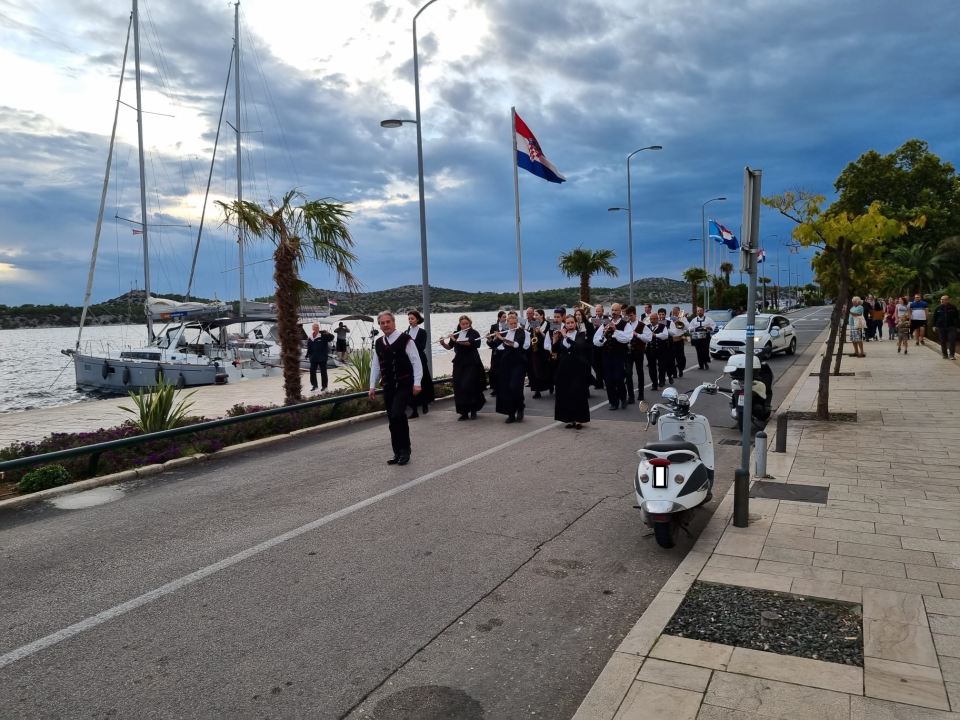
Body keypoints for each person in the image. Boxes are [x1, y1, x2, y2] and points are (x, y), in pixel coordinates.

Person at [369, 311, 422, 466]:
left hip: (404, 385)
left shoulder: (406, 340)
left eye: (388, 322)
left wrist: (417, 382)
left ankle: (406, 450)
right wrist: (372, 386)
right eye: (382, 323)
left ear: (394, 322)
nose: (385, 325)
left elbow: (416, 361)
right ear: (379, 325)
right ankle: (397, 452)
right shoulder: (379, 343)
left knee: (398, 414)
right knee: (392, 420)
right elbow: (376, 366)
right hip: (388, 386)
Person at [439, 315, 486, 419]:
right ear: (459, 324)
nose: (465, 326)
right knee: (459, 386)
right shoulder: (456, 333)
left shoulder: (474, 333)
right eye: (463, 324)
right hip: (459, 361)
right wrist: (443, 343)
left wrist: (455, 340)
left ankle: (473, 409)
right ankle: (463, 412)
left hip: (471, 361)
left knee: (468, 385)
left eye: (466, 324)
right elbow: (449, 346)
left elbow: (469, 343)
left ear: (469, 323)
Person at [553, 315, 591, 429]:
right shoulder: (561, 336)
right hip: (564, 366)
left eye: (572, 323)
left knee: (577, 391)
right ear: (565, 324)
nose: (570, 325)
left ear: (575, 324)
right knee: (565, 392)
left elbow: (578, 346)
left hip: (577, 366)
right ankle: (570, 419)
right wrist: (555, 339)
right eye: (568, 323)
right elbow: (555, 350)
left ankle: (579, 419)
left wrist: (566, 336)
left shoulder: (580, 335)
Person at [593, 302, 630, 410]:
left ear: (620, 312)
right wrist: (604, 334)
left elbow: (627, 338)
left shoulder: (625, 324)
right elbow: (596, 341)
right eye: (612, 310)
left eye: (616, 310)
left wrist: (615, 330)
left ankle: (623, 398)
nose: (614, 312)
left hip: (619, 355)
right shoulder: (605, 323)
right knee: (608, 380)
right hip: (607, 355)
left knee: (618, 378)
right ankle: (613, 402)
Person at [493, 311, 529, 423]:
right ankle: (510, 413)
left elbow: (517, 345)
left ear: (517, 322)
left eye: (515, 323)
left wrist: (502, 339)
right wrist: (491, 339)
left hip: (518, 363)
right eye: (511, 324)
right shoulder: (505, 332)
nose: (513, 325)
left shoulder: (520, 332)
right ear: (508, 323)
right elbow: (493, 345)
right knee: (506, 388)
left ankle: (520, 407)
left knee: (515, 387)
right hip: (506, 363)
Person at [405, 311, 435, 418]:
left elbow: (422, 346)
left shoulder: (422, 332)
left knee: (423, 382)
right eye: (409, 319)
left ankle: (425, 403)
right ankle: (414, 410)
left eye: (412, 318)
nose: (410, 320)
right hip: (410, 361)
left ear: (417, 319)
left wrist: (411, 341)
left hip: (421, 360)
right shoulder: (406, 332)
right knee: (411, 383)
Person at [528, 309, 553, 398]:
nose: (535, 317)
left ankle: (550, 385)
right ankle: (537, 390)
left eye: (537, 315)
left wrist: (541, 332)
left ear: (542, 315)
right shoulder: (534, 323)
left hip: (544, 350)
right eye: (534, 315)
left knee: (546, 369)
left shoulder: (548, 324)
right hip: (536, 350)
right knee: (535, 370)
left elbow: (550, 337)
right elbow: (530, 335)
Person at [623, 305, 645, 406]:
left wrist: (637, 335)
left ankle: (641, 393)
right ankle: (630, 396)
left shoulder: (641, 325)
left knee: (640, 372)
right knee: (628, 373)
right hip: (628, 352)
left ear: (635, 314)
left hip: (638, 351)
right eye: (628, 316)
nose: (629, 318)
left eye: (631, 315)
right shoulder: (626, 325)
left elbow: (648, 338)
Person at [641, 314, 670, 390]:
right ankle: (654, 383)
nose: (652, 320)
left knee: (661, 366)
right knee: (651, 367)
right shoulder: (647, 327)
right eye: (651, 319)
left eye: (653, 319)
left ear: (657, 319)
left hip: (661, 350)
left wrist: (655, 335)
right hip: (650, 350)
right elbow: (644, 336)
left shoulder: (662, 327)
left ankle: (662, 380)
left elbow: (665, 336)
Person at [306, 323, 335, 392]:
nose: (316, 328)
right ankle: (314, 386)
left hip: (322, 357)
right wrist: (307, 355)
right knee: (312, 371)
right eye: (315, 327)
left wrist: (328, 334)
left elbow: (331, 338)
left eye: (317, 327)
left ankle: (324, 386)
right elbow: (309, 347)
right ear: (312, 328)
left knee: (323, 372)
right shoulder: (310, 337)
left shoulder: (323, 336)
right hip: (313, 358)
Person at [932, 295, 958, 360]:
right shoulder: (938, 308)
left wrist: (958, 327)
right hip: (941, 327)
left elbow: (957, 318)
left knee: (952, 339)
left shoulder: (953, 308)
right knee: (943, 341)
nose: (942, 300)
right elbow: (934, 318)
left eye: (943, 299)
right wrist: (934, 326)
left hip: (951, 326)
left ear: (948, 300)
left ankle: (952, 354)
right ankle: (944, 354)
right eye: (941, 299)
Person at [487, 311, 507, 395]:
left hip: (505, 350)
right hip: (496, 351)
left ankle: (503, 388)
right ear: (499, 318)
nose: (505, 318)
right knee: (493, 370)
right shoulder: (494, 326)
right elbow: (491, 341)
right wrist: (489, 339)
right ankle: (495, 388)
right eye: (503, 317)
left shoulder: (508, 326)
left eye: (506, 317)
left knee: (503, 370)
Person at [668, 306, 690, 378]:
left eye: (676, 313)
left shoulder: (683, 318)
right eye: (673, 313)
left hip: (679, 339)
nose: (674, 314)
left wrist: (680, 322)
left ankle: (681, 369)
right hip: (671, 340)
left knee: (680, 356)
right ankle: (674, 372)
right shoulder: (670, 319)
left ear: (679, 312)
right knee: (671, 357)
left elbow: (687, 327)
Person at [589, 304, 607, 390]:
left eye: (599, 311)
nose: (597, 313)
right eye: (596, 311)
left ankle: (601, 381)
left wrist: (599, 326)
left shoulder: (606, 319)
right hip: (594, 344)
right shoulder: (592, 318)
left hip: (602, 345)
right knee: (594, 363)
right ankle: (600, 380)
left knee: (601, 364)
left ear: (602, 311)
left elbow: (607, 330)